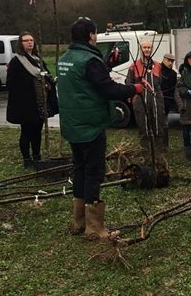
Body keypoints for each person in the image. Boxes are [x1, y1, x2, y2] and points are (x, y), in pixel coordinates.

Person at [58, 18, 143, 241]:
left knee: (80, 169)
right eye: (94, 33)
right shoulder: (89, 60)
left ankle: (78, 221)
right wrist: (134, 87)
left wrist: (106, 61)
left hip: (73, 124)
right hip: (91, 126)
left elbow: (86, 80)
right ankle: (94, 228)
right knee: (94, 173)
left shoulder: (66, 57)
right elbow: (107, 89)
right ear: (91, 36)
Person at [6, 31, 58, 169]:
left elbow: (46, 75)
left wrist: (47, 84)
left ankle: (36, 156)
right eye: (26, 40)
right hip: (25, 104)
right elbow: (11, 83)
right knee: (26, 132)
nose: (29, 42)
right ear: (21, 44)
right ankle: (26, 159)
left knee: (37, 131)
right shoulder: (17, 61)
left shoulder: (37, 59)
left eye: (31, 40)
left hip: (40, 102)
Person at [125, 40, 166, 150]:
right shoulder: (134, 66)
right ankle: (146, 153)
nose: (147, 49)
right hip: (140, 100)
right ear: (141, 49)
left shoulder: (157, 65)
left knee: (158, 126)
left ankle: (158, 154)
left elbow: (159, 82)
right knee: (143, 127)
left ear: (152, 49)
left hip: (156, 99)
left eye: (149, 47)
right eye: (144, 47)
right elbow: (128, 83)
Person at [160, 53, 177, 150]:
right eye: (168, 60)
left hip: (166, 102)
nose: (170, 63)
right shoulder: (158, 70)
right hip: (157, 100)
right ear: (164, 59)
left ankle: (165, 145)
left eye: (172, 61)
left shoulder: (173, 74)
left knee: (165, 124)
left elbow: (173, 89)